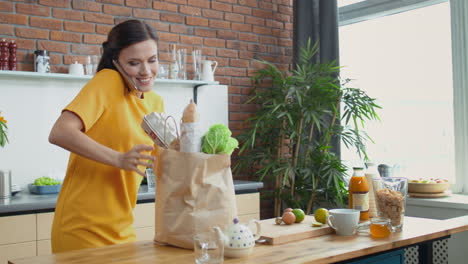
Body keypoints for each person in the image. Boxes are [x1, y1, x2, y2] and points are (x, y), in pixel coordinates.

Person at [48, 19, 163, 253]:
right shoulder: (107, 82)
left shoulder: (155, 102)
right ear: (115, 61)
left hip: (123, 228)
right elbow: (60, 132)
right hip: (82, 228)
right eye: (133, 63)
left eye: (152, 60)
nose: (146, 71)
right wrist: (118, 159)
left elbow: (162, 159)